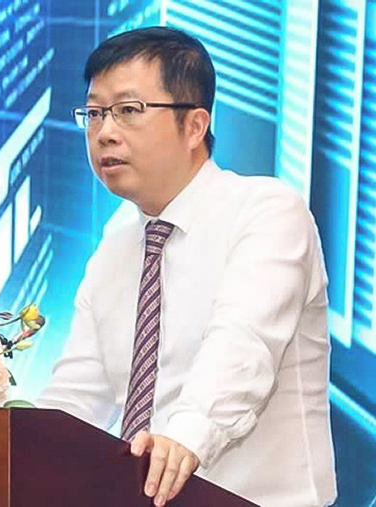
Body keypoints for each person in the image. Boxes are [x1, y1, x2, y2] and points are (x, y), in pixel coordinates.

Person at [37, 26, 337, 506]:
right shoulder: (116, 246)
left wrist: (185, 438)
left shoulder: (267, 211)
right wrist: (19, 449)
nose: (105, 131)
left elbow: (243, 346)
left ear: (195, 126)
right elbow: (74, 399)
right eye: (94, 113)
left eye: (128, 110)